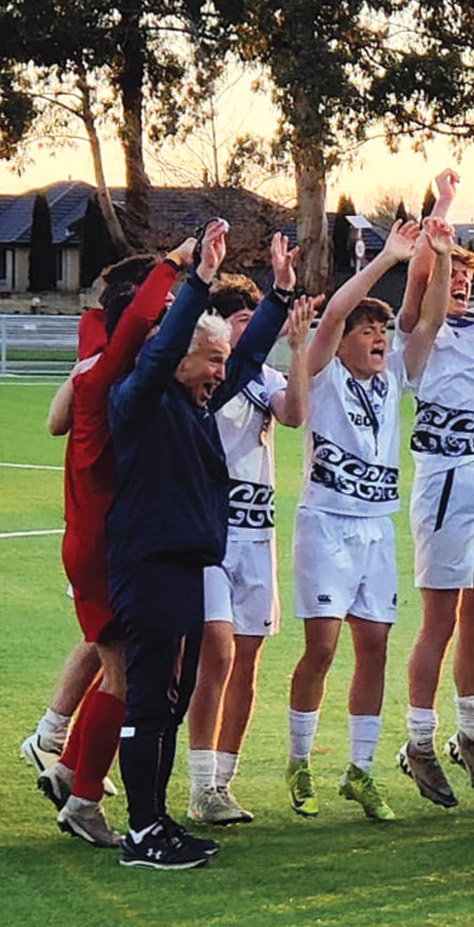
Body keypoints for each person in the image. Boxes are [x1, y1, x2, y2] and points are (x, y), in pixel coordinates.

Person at [109, 221, 300, 869]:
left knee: (172, 700)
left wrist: (277, 299)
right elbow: (162, 352)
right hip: (152, 566)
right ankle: (140, 832)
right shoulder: (140, 399)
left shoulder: (196, 403)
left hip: (188, 568)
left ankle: (157, 820)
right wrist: (198, 281)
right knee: (149, 699)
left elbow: (247, 364)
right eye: (211, 360)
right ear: (179, 357)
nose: (223, 372)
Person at [34, 243, 194, 847]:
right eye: (165, 310)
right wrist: (175, 263)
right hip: (106, 546)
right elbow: (127, 321)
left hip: (88, 539)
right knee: (122, 677)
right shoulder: (108, 376)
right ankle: (84, 797)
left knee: (117, 668)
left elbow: (94, 324)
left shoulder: (92, 368)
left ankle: (73, 770)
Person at [283, 219, 440, 823]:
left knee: (373, 646)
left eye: (381, 331)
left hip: (376, 529)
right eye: (367, 331)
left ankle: (360, 770)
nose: (378, 338)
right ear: (345, 340)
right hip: (326, 524)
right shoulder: (322, 373)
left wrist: (441, 253)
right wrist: (386, 259)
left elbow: (426, 323)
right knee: (321, 648)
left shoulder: (393, 377)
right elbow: (329, 317)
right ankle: (300, 760)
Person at [391, 170, 474, 808]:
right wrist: (441, 215)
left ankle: (471, 734)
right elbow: (425, 302)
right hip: (444, 479)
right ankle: (417, 740)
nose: (459, 285)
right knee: (440, 618)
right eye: (449, 275)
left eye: (466, 277)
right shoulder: (418, 331)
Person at [184, 274, 310, 825]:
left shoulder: (264, 378)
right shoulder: (208, 383)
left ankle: (223, 781)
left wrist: (300, 349)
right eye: (244, 322)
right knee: (215, 654)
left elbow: (294, 414)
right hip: (212, 532)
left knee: (247, 657)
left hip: (258, 533)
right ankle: (198, 783)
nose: (254, 333)